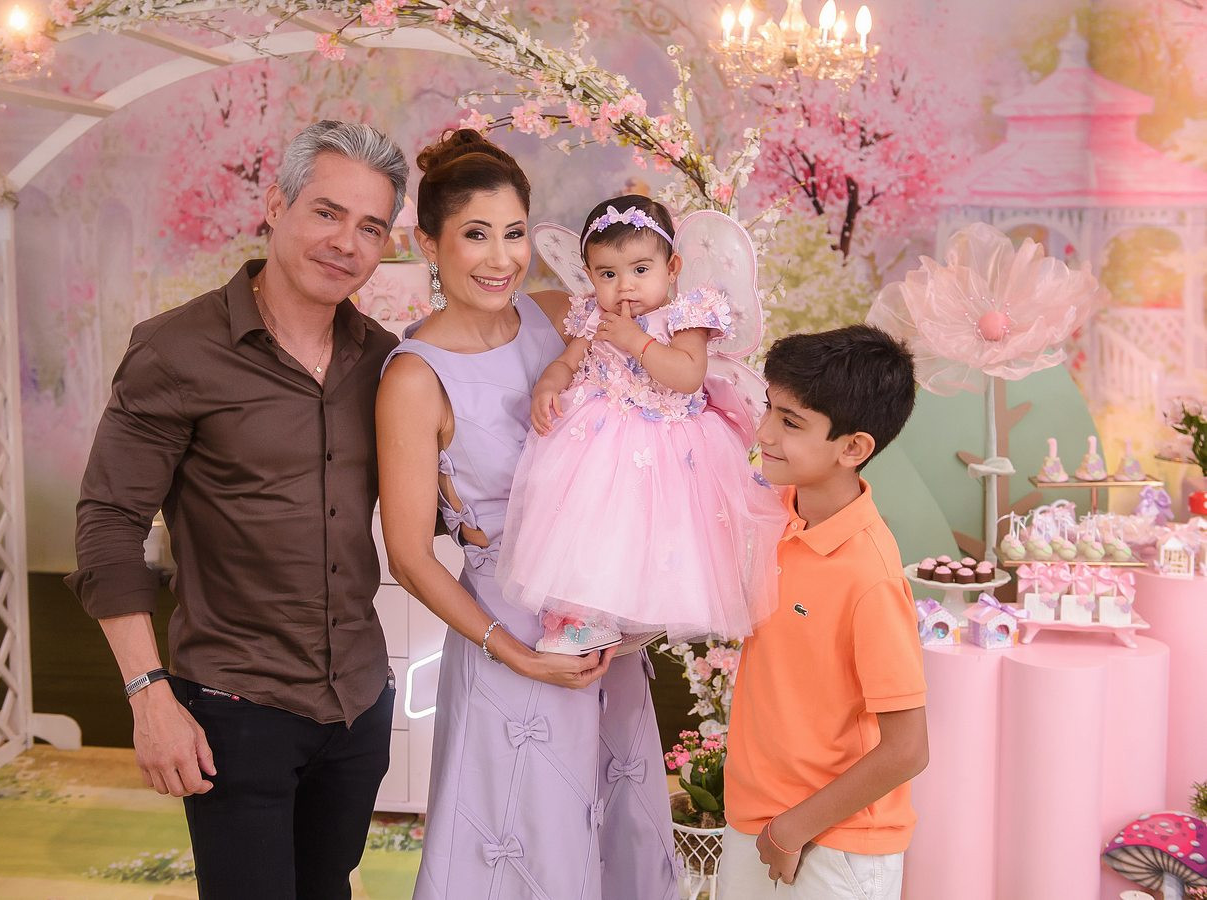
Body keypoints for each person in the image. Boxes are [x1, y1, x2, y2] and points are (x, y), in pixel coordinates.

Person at [66, 120, 409, 899]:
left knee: (329, 890)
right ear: (276, 206)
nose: (346, 242)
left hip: (359, 703)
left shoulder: (386, 361)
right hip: (235, 706)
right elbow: (108, 526)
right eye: (327, 212)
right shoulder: (176, 351)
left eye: (370, 226)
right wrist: (147, 695)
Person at [376, 131, 677, 900]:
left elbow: (651, 396)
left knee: (616, 837)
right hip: (510, 636)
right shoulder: (414, 378)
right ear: (429, 243)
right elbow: (409, 556)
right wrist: (513, 651)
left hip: (601, 626)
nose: (501, 258)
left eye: (514, 233)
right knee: (521, 847)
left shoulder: (557, 318)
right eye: (476, 235)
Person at [495, 194, 784, 654]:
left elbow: (687, 375)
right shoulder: (595, 315)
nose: (625, 286)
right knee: (592, 523)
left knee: (657, 532)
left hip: (669, 443)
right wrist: (548, 385)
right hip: (598, 437)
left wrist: (636, 341)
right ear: (590, 275)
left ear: (672, 268)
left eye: (640, 269)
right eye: (608, 274)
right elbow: (568, 360)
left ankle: (636, 614)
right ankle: (587, 617)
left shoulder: (685, 317)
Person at [718, 324, 929, 899]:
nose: (764, 431)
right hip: (754, 822)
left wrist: (793, 829)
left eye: (791, 422)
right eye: (769, 407)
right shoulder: (772, 514)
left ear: (853, 448)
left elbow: (908, 749)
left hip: (835, 844)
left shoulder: (870, 574)